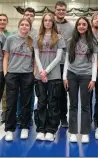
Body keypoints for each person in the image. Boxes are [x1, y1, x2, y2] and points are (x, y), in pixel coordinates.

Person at [63, 17, 98, 143]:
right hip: (72, 75)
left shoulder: (93, 42)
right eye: (79, 24)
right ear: (76, 26)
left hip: (86, 75)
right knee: (73, 104)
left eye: (84, 24)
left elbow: (95, 62)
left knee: (85, 105)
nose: (82, 26)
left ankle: (85, 132)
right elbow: (67, 60)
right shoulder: (70, 41)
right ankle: (73, 132)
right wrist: (65, 77)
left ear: (87, 26)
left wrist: (93, 79)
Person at [34, 13, 66, 141]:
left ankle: (51, 130)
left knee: (53, 103)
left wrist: (46, 71)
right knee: (41, 102)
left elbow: (59, 58)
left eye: (50, 20)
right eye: (45, 20)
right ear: (43, 22)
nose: (47, 22)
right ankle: (41, 128)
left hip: (54, 76)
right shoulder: (38, 37)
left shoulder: (59, 38)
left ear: (53, 22)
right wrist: (41, 72)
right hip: (40, 76)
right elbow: (36, 56)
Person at [3, 18, 35, 141]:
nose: (24, 26)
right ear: (18, 26)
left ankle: (25, 127)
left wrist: (33, 73)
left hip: (27, 74)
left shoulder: (32, 41)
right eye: (22, 24)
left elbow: (34, 59)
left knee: (26, 103)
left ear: (30, 28)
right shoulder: (10, 39)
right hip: (12, 74)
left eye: (27, 25)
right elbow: (5, 57)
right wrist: (6, 73)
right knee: (11, 103)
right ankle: (9, 129)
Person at [54, 1, 74, 127]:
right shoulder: (50, 25)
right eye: (59, 9)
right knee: (53, 92)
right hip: (51, 63)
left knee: (64, 92)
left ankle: (63, 117)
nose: (61, 11)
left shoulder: (71, 27)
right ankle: (53, 116)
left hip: (65, 64)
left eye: (63, 9)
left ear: (66, 11)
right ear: (55, 11)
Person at [0, 13, 11, 123]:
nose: (2, 21)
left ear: (7, 22)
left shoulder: (10, 35)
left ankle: (5, 111)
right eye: (0, 19)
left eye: (4, 20)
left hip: (6, 66)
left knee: (6, 92)